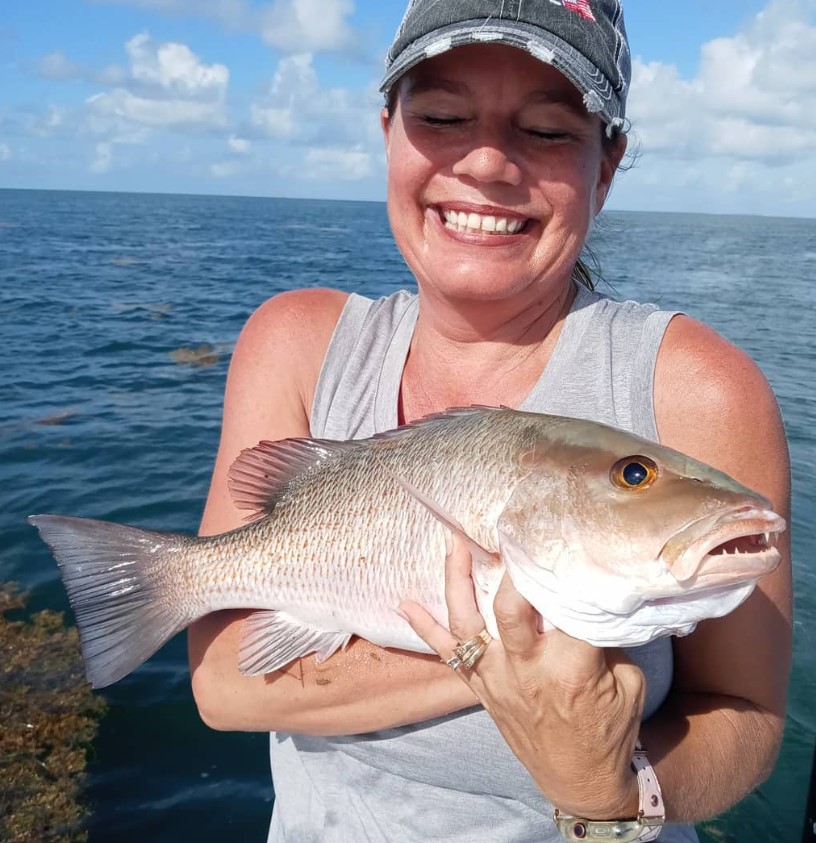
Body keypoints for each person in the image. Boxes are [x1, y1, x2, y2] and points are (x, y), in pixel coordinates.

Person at [188, 1, 792, 841]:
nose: (485, 163)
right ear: (388, 131)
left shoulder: (700, 391)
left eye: (547, 131)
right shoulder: (292, 342)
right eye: (440, 116)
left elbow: (749, 716)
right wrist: (499, 664)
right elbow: (223, 686)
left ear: (606, 165)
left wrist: (613, 792)